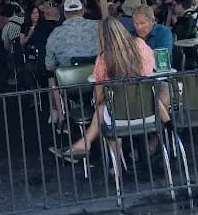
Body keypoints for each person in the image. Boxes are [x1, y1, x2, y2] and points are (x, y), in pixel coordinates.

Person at [54, 16, 155, 159]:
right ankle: (87, 144)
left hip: (119, 115)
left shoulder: (103, 59)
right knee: (106, 110)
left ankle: (114, 162)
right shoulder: (140, 44)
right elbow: (150, 70)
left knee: (104, 110)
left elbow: (99, 95)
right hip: (148, 109)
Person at [45, 0, 99, 70]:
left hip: (68, 76)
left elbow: (49, 66)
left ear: (64, 14)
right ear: (83, 11)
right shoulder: (99, 26)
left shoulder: (55, 33)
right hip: (100, 75)